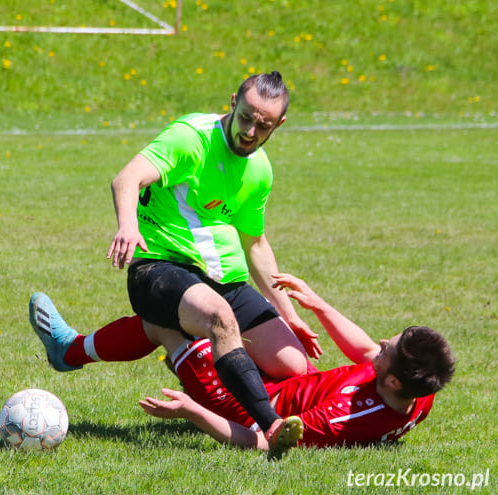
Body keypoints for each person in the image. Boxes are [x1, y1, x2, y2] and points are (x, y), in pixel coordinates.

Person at [32, 72, 317, 456]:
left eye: (263, 125)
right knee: (217, 317)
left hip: (223, 279)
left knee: (292, 364)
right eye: (246, 116)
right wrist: (128, 227)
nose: (250, 131)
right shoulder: (191, 138)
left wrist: (288, 313)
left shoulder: (260, 169)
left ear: (278, 125)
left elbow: (256, 244)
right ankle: (270, 426)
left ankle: (76, 350)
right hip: (158, 267)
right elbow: (126, 178)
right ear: (233, 101)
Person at [138, 273, 456, 451]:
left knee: (161, 323)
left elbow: (266, 440)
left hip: (243, 402)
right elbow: (364, 349)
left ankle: (87, 349)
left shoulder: (340, 418)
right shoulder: (417, 387)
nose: (382, 344)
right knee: (242, 317)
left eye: (387, 350)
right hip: (293, 382)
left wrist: (193, 412)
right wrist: (317, 303)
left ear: (391, 382)